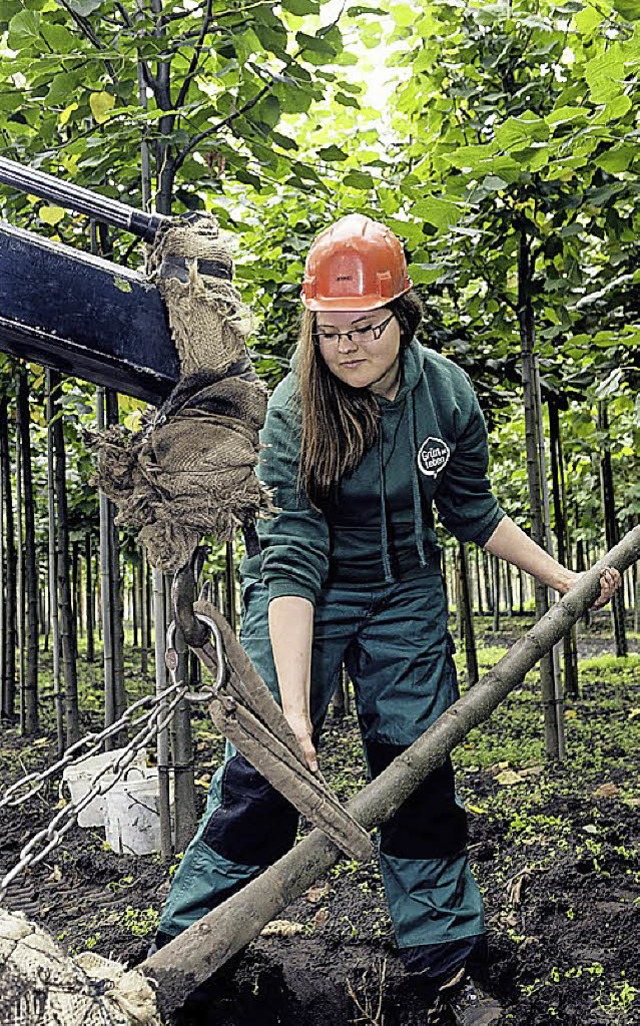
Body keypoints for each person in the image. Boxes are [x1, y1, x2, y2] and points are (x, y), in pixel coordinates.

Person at [151, 214, 621, 1025]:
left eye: (368, 325)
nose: (350, 345)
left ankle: (442, 964)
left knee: (414, 774)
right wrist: (292, 711)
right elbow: (293, 557)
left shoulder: (447, 392)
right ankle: (186, 955)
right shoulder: (297, 407)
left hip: (403, 593)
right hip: (307, 595)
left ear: (404, 316)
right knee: (263, 777)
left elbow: (472, 509)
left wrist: (562, 576)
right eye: (332, 330)